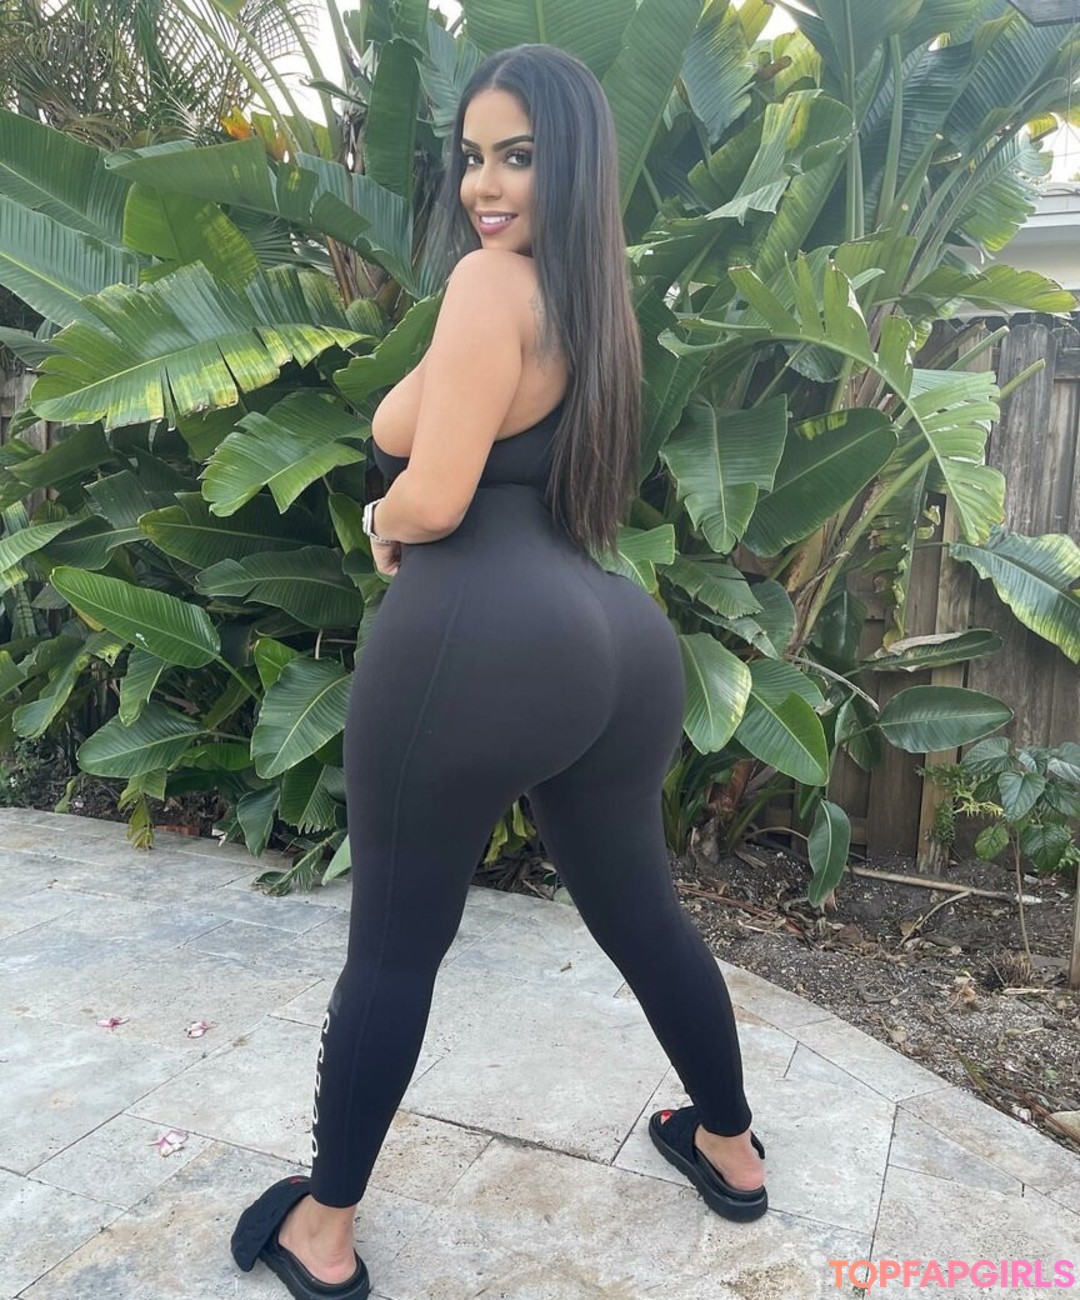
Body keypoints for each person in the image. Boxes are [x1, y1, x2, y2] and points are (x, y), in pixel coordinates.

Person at [230, 42, 766, 1300]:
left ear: (569, 164)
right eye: (471, 157)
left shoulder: (488, 286)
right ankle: (731, 1148)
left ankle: (323, 1230)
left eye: (517, 156)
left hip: (478, 640)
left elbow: (435, 493)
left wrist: (379, 521)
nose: (484, 184)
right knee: (642, 913)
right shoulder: (591, 306)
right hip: (616, 638)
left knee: (393, 948)